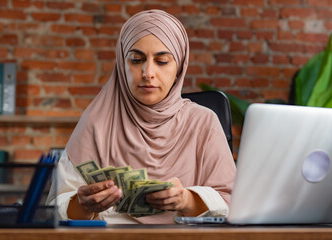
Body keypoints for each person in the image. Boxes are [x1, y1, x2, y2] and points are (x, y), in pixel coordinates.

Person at [47, 9, 236, 224]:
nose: (148, 72)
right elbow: (53, 208)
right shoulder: (96, 123)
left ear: (179, 67)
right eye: (136, 60)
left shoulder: (203, 122)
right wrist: (81, 205)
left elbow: (232, 203)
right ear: (121, 64)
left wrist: (187, 200)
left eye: (162, 61)